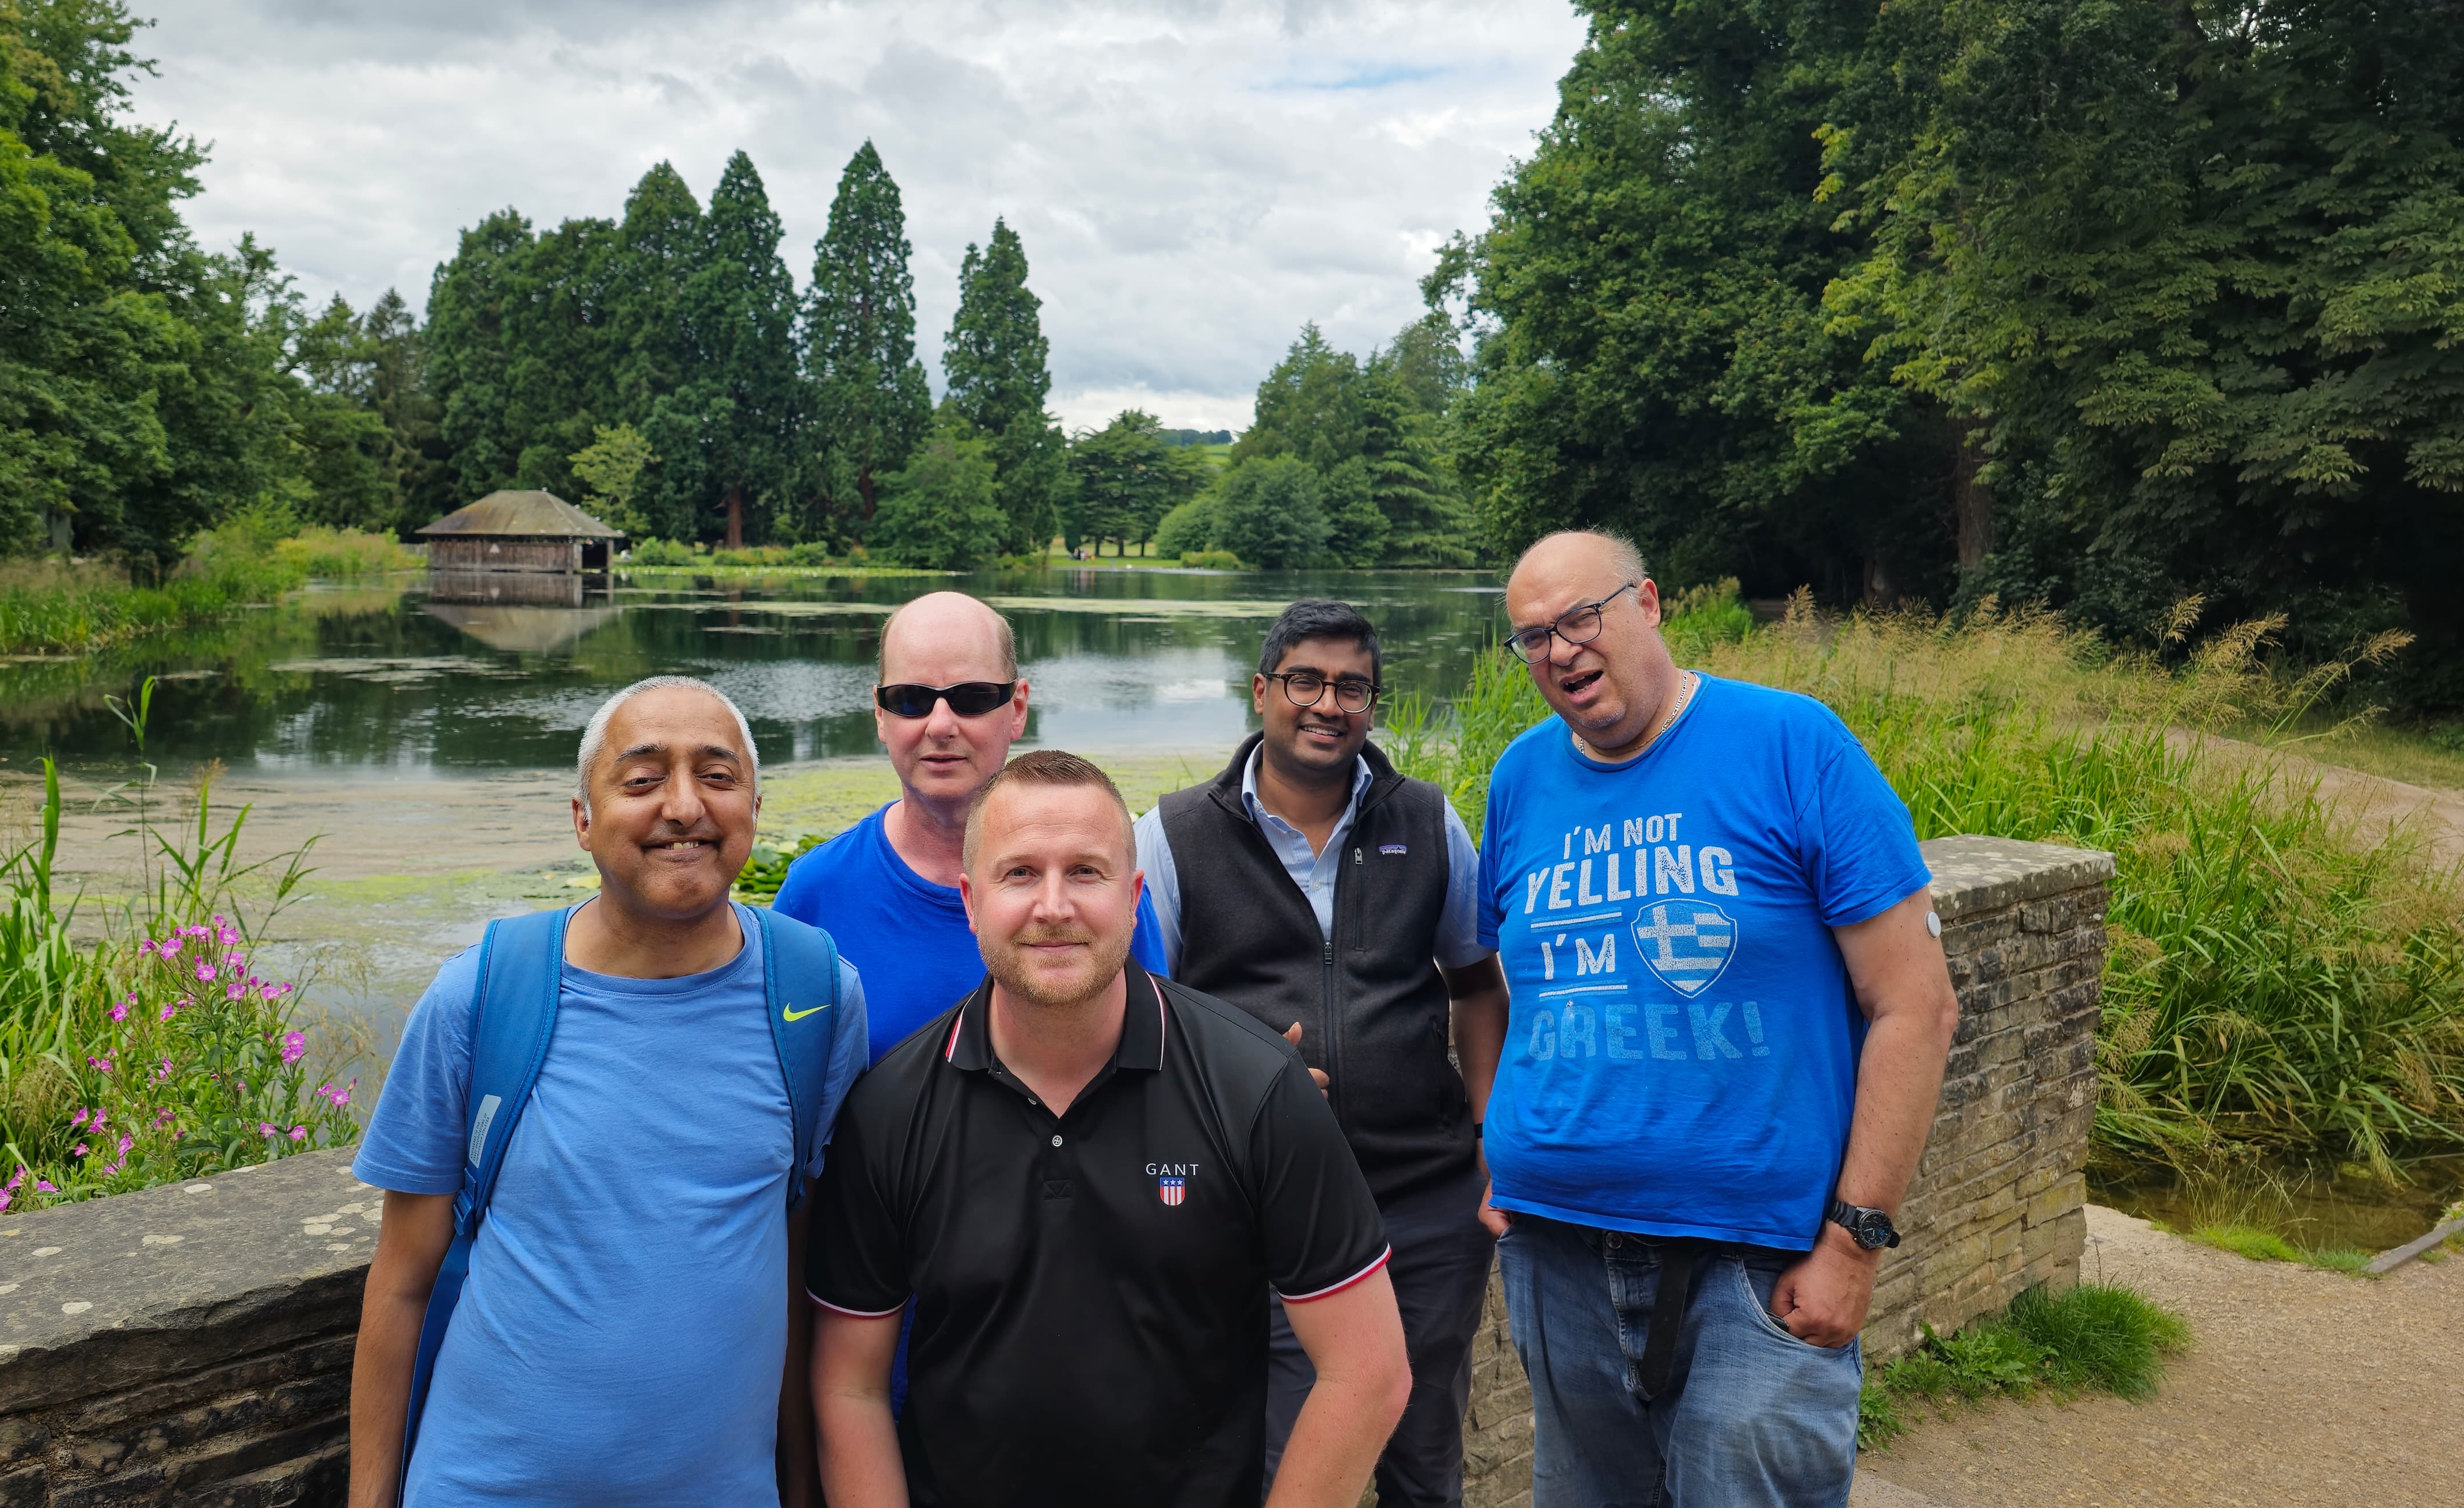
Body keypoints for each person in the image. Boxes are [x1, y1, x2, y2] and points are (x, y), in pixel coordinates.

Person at [1476, 531, 1960, 1508]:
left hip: (1756, 1264)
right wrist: (1498, 1143)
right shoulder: (1520, 777)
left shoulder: (1792, 744)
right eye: (1532, 637)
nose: (1561, 652)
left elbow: (1916, 1003)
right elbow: (1500, 983)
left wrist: (1855, 1240)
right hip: (1555, 1252)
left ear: (1647, 603)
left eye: (1581, 618)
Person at [808, 750, 1411, 1508]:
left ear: (1134, 898)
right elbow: (849, 1386)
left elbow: (1369, 1369)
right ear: (970, 899)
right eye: (1020, 873)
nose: (1053, 905)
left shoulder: (1254, 1086)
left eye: (1086, 873)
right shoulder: (892, 1109)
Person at [347, 676, 872, 1507]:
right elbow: (401, 1283)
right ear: (583, 819)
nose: (684, 806)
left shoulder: (814, 996)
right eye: (642, 779)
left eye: (717, 775)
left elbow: (794, 1259)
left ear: (755, 806)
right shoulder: (482, 997)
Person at [1130, 599, 1506, 1508]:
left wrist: (1496, 1144)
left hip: (1425, 1204)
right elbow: (1141, 1017)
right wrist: (1241, 1073)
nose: (1327, 704)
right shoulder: (1173, 834)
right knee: (1292, 1466)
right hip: (1262, 1214)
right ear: (1263, 691)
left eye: (1352, 686)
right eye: (1305, 680)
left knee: (1425, 1463)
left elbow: (1476, 985)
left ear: (1374, 704)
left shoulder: (1427, 818)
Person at [775, 591, 1162, 1061]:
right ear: (880, 714)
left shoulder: (1096, 893)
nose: (940, 725)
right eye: (911, 699)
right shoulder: (815, 893)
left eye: (971, 698)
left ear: (1017, 708)